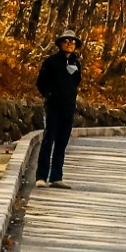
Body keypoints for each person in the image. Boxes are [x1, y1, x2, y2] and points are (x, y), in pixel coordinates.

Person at [36, 31, 84, 185]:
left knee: (62, 142)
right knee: (48, 140)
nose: (69, 44)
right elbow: (41, 82)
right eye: (66, 41)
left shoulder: (76, 63)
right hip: (53, 106)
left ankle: (56, 177)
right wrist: (49, 95)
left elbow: (76, 83)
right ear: (60, 43)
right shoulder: (51, 62)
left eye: (72, 42)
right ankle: (41, 177)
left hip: (68, 107)